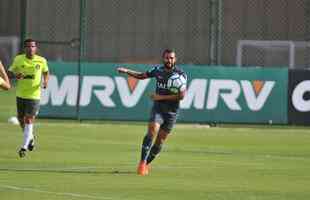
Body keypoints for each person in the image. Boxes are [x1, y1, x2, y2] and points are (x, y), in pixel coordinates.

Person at [117, 49, 187, 176]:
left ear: (175, 59)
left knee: (160, 140)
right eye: (167, 58)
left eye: (171, 58)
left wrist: (161, 97)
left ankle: (147, 164)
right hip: (159, 108)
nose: (169, 60)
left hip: (172, 112)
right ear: (163, 59)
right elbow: (142, 76)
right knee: (152, 129)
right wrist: (127, 71)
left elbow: (181, 96)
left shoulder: (181, 75)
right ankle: (142, 163)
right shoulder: (158, 70)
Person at [9, 38, 49, 158]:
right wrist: (16, 74)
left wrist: (45, 82)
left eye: (33, 46)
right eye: (28, 46)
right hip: (20, 95)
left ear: (36, 48)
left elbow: (46, 72)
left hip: (34, 96)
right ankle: (31, 138)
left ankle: (24, 147)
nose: (30, 49)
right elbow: (10, 72)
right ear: (24, 48)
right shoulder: (18, 59)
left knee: (28, 119)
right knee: (21, 120)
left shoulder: (41, 61)